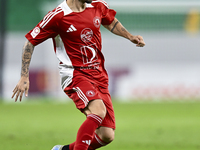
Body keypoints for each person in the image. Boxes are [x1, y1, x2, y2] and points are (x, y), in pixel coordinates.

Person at [12, 0, 145, 150]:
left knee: (106, 135)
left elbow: (110, 22)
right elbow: (30, 42)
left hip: (99, 74)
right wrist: (24, 76)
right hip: (75, 74)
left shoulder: (97, 5)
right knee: (98, 111)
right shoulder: (58, 16)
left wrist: (130, 36)